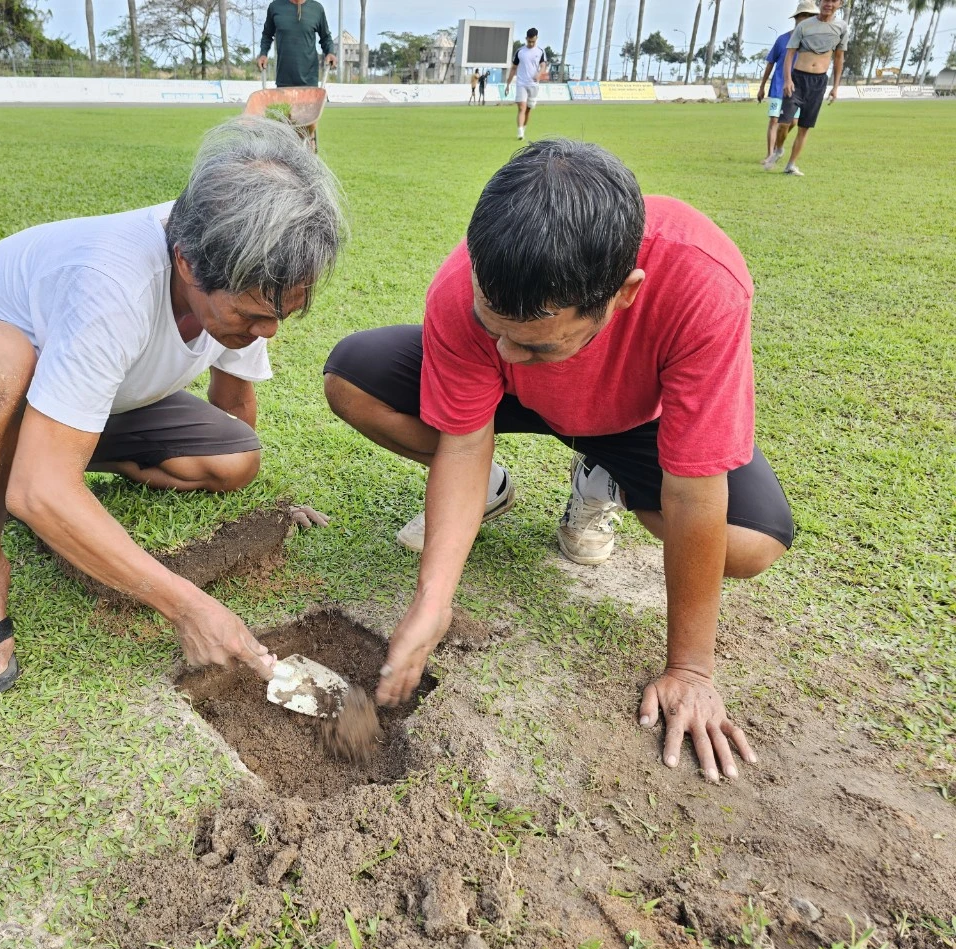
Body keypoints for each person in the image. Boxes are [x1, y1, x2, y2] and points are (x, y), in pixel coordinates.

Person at [324, 139, 794, 785]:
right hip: (522, 407)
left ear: (624, 294)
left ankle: (605, 478)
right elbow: (462, 439)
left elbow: (693, 489)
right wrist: (434, 601)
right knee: (356, 375)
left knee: (747, 547)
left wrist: (690, 669)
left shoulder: (702, 280)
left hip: (639, 421)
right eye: (495, 330)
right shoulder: (466, 288)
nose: (507, 352)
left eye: (537, 343)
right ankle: (490, 492)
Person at [0, 118, 347, 699]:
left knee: (232, 459)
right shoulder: (113, 282)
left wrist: (262, 511)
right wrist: (187, 607)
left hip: (76, 400)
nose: (267, 330)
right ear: (187, 265)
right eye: (252, 316)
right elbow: (24, 461)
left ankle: (47, 472)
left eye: (282, 313)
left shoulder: (248, 264)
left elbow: (234, 406)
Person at [778, 0, 846, 176]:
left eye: (833, 1)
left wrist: (835, 86)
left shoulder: (841, 28)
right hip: (798, 78)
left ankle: (791, 165)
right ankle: (778, 149)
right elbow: (790, 53)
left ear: (840, 4)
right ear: (820, 2)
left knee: (804, 127)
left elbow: (839, 58)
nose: (829, 4)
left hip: (819, 82)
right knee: (784, 123)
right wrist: (787, 79)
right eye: (825, 0)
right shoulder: (805, 26)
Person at [758, 0, 816, 168]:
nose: (807, 19)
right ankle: (770, 154)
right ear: (797, 18)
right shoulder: (782, 39)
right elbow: (770, 62)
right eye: (805, 15)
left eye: (811, 16)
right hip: (779, 86)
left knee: (793, 123)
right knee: (775, 121)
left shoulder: (811, 42)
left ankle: (778, 147)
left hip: (799, 88)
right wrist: (762, 87)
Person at [256, 0, 337, 89]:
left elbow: (325, 38)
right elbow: (267, 35)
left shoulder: (317, 9)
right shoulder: (275, 7)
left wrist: (330, 52)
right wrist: (263, 54)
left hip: (309, 82)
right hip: (284, 81)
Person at [505, 29, 549, 140]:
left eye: (533, 41)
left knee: (528, 109)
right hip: (521, 83)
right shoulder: (520, 51)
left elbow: (543, 65)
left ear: (536, 39)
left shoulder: (540, 51)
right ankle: (520, 132)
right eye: (529, 41)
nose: (531, 44)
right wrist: (508, 84)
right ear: (526, 39)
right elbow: (513, 68)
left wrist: (539, 74)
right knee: (521, 107)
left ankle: (523, 128)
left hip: (533, 84)